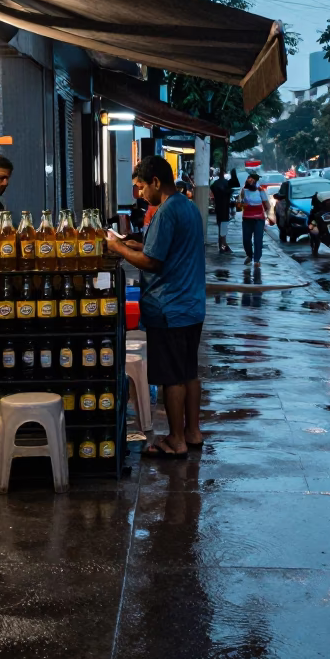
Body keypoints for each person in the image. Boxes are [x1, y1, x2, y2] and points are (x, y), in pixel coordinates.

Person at [107, 155, 205, 458]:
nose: (139, 194)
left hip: (169, 307)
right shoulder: (187, 206)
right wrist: (134, 243)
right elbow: (163, 248)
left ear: (156, 183)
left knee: (171, 378)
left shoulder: (165, 212)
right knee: (188, 372)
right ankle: (192, 432)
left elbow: (153, 261)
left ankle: (176, 440)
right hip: (191, 305)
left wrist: (117, 247)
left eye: (140, 187)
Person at [236, 170, 273, 265]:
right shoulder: (244, 190)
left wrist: (268, 216)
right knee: (246, 240)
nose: (250, 181)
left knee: (258, 240)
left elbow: (267, 205)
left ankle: (257, 260)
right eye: (249, 179)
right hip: (247, 219)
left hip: (259, 219)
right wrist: (240, 205)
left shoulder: (260, 190)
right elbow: (239, 205)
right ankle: (249, 255)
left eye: (252, 180)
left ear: (256, 181)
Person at [210, 164, 236, 253]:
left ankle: (222, 245)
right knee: (223, 227)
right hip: (224, 208)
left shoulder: (215, 184)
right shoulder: (225, 183)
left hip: (219, 208)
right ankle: (223, 245)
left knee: (221, 226)